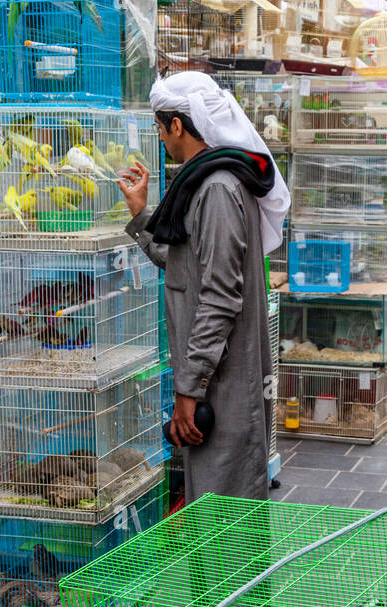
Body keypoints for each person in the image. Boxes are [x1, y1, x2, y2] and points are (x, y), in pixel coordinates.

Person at [119, 72, 290, 504]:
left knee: (224, 518)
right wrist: (141, 216)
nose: (160, 138)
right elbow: (186, 270)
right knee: (214, 511)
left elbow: (218, 299)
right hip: (216, 379)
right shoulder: (209, 181)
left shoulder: (216, 189)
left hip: (224, 385)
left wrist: (188, 390)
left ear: (178, 124)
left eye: (160, 127)